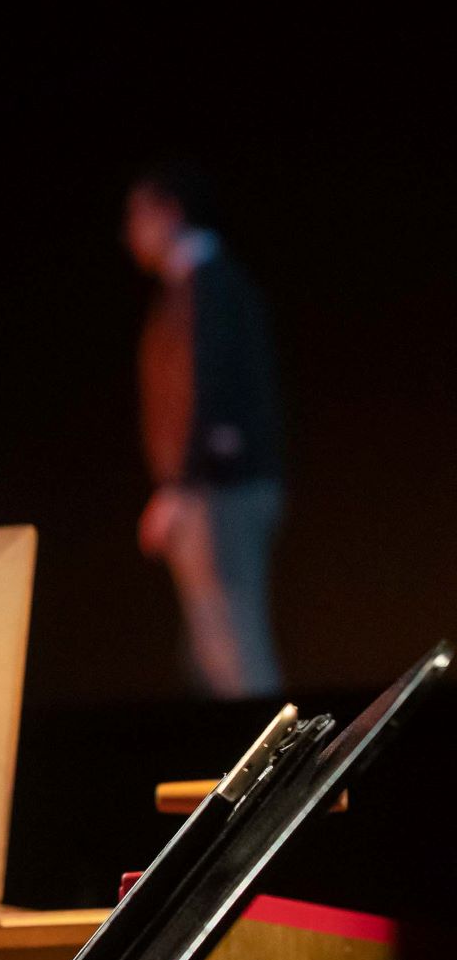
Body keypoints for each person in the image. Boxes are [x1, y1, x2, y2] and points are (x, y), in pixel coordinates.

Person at [124, 162, 286, 698]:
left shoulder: (211, 287)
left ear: (171, 212)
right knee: (208, 659)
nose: (132, 232)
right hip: (212, 489)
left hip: (222, 491)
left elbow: (207, 386)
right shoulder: (191, 289)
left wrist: (180, 485)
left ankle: (278, 778)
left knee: (236, 655)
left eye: (140, 215)